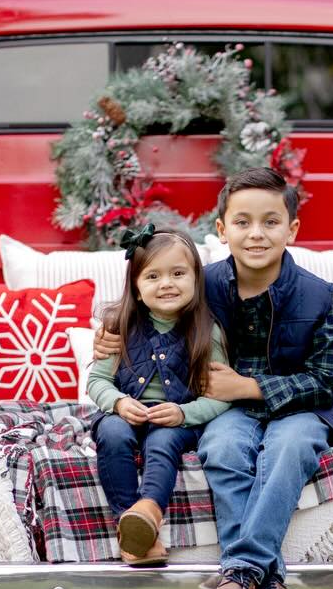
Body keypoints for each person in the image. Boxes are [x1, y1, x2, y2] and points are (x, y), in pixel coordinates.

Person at [96, 168, 333, 589]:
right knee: (220, 449)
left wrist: (250, 386)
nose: (256, 234)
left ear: (292, 229)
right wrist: (110, 336)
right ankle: (269, 588)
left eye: (270, 221)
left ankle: (242, 573)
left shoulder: (317, 295)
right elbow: (150, 306)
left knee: (291, 449)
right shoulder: (203, 285)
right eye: (242, 222)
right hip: (228, 412)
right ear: (222, 230)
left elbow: (327, 380)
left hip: (302, 407)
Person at [88, 225, 230, 567]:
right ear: (136, 288)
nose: (166, 283)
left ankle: (149, 510)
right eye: (153, 276)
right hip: (127, 411)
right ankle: (134, 530)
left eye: (178, 273)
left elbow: (222, 396)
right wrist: (119, 403)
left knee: (161, 441)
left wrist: (185, 415)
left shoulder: (206, 331)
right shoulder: (119, 326)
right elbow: (97, 380)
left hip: (178, 418)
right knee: (112, 433)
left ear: (196, 279)